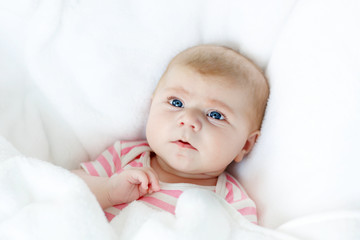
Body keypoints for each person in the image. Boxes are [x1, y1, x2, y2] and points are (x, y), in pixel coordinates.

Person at [73, 44, 269, 224]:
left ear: (245, 145)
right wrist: (108, 192)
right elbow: (66, 188)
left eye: (215, 115)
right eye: (176, 103)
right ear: (151, 108)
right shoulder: (126, 155)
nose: (189, 119)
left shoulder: (233, 203)